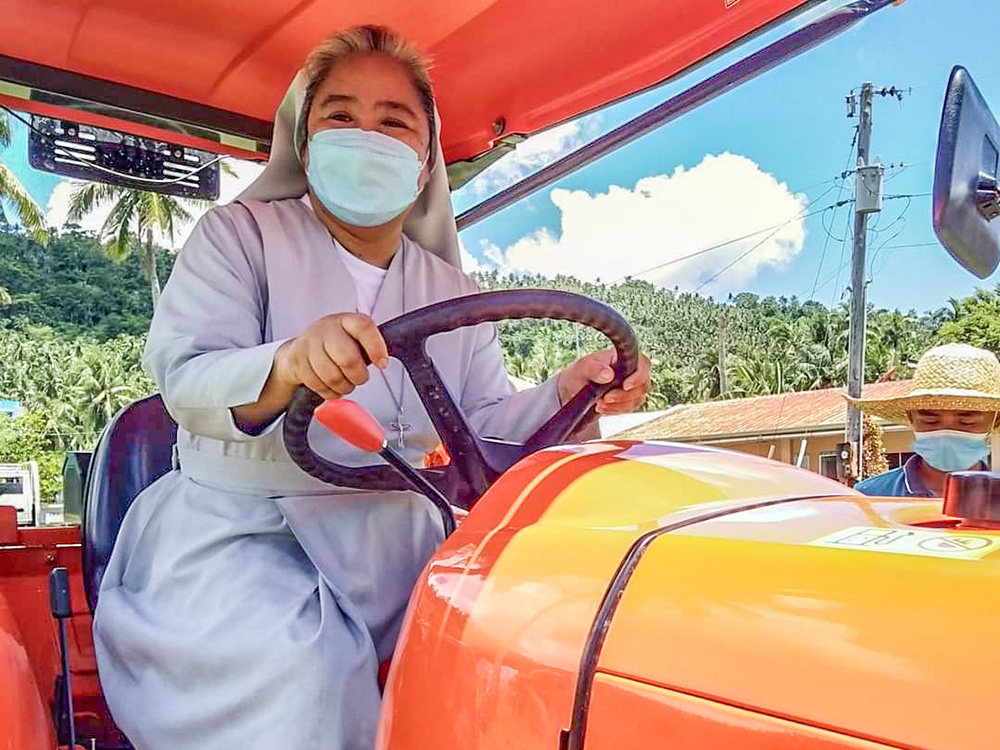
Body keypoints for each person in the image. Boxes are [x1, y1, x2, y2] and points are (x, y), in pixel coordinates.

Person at [92, 25, 651, 750]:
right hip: (242, 534)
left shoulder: (449, 286)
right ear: (305, 141)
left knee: (545, 643)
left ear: (423, 167)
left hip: (403, 539)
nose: (366, 136)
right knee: (307, 674)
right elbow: (188, 378)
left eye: (393, 122)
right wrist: (289, 362)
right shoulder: (238, 237)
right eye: (340, 115)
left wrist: (567, 393)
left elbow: (481, 424)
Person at [846, 343, 1000, 497]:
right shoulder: (870, 496)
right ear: (911, 417)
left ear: (996, 419)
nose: (946, 434)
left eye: (967, 422)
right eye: (930, 420)